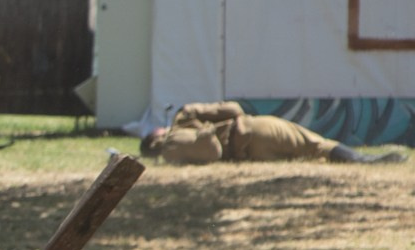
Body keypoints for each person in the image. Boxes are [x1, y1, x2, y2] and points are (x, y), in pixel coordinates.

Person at [141, 102, 408, 165]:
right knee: (318, 146)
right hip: (255, 129)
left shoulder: (173, 156)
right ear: (159, 132)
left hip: (250, 155)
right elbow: (233, 108)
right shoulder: (184, 116)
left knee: (308, 158)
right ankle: (363, 160)